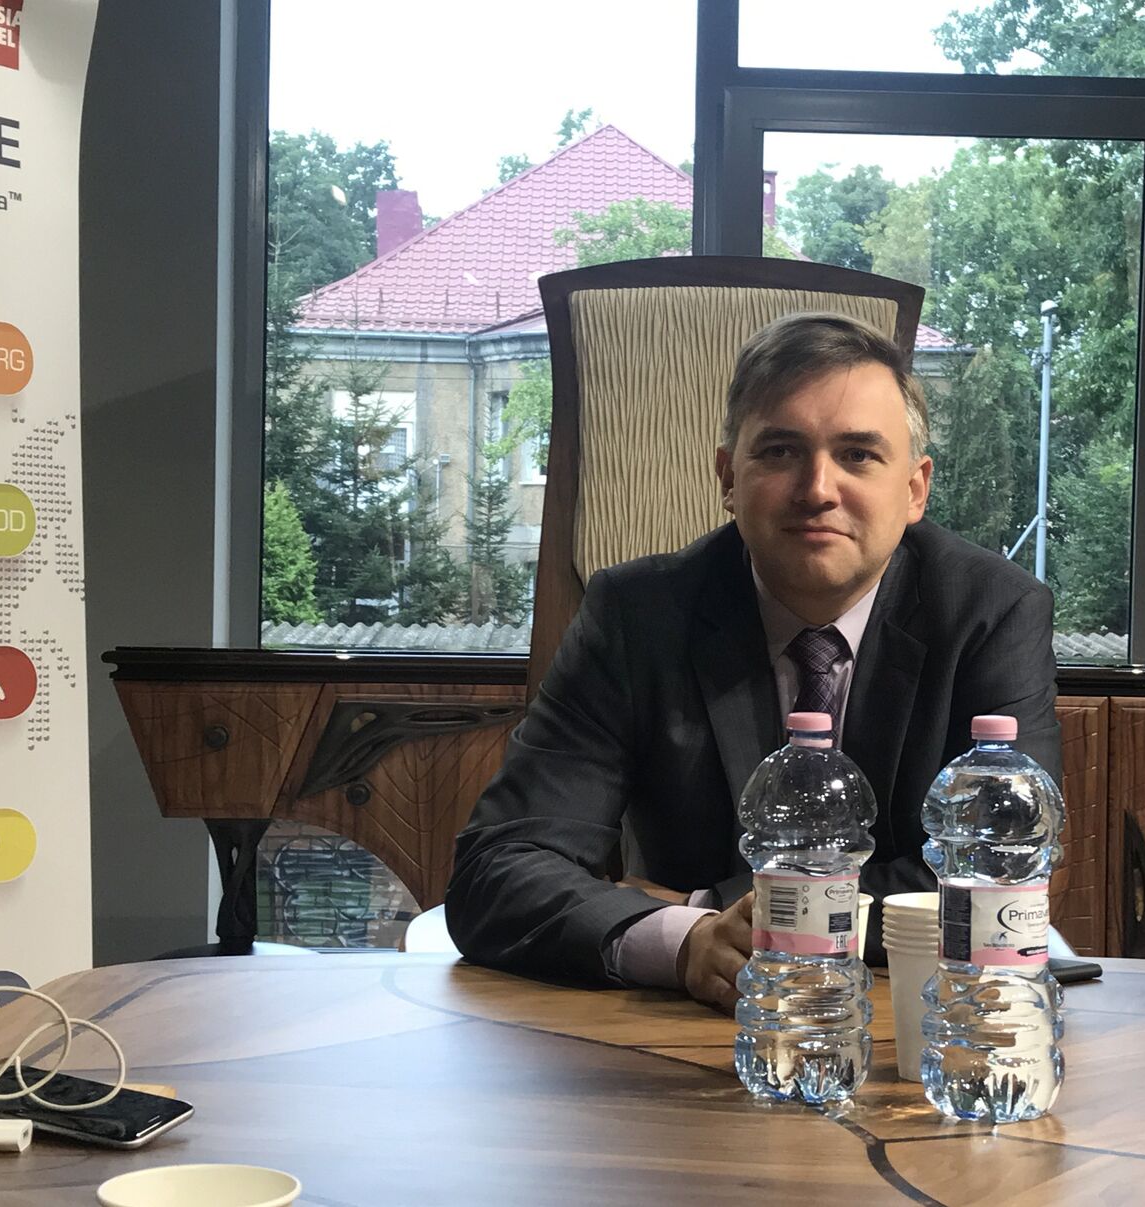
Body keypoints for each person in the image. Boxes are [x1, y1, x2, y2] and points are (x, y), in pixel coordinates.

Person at [445, 311, 1060, 1012]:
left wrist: (710, 908)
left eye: (858, 454)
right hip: (686, 1031)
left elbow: (1001, 874)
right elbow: (498, 871)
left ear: (915, 489)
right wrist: (684, 943)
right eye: (780, 451)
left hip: (928, 1021)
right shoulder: (636, 617)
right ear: (728, 478)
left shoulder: (991, 611)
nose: (818, 488)